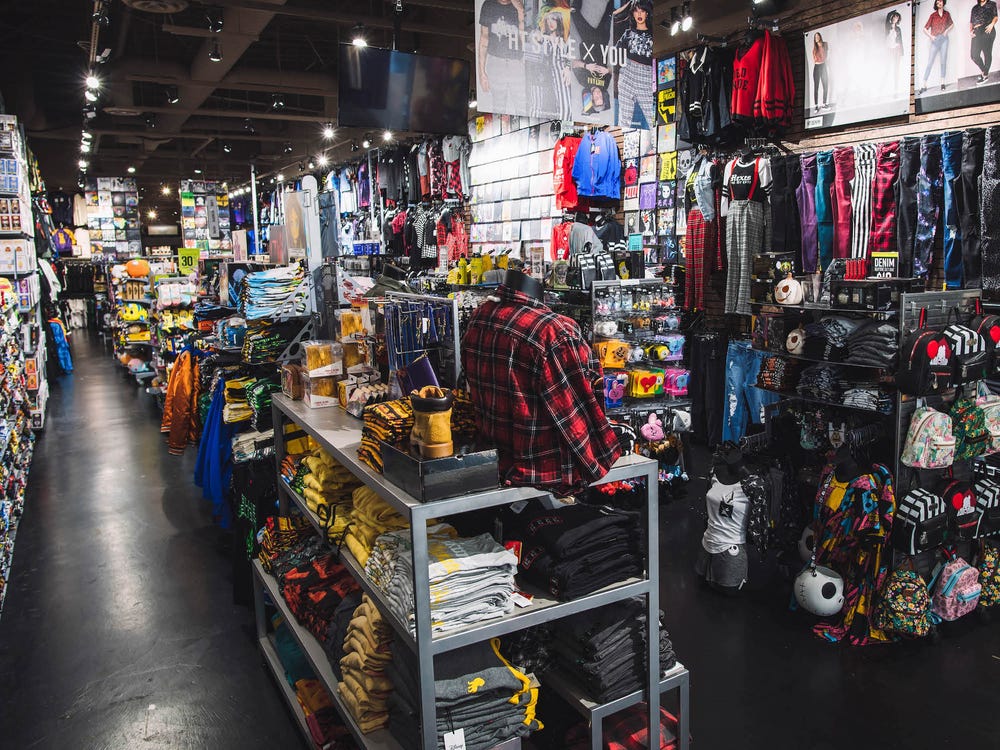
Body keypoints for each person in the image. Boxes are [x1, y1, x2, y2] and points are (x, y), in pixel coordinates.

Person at [478, 0, 527, 114]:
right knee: (498, 107)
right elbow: (484, 38)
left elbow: (525, 36)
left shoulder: (519, 5)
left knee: (522, 106)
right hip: (496, 62)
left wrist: (520, 11)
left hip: (516, 62)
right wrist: (482, 73)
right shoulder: (488, 5)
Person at [613, 0, 655, 129]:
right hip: (628, 72)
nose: (639, 14)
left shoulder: (653, 34)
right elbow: (615, 53)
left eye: (642, 11)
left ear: (647, 13)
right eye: (636, 11)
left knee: (652, 117)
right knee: (624, 119)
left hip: (646, 75)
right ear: (632, 13)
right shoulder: (628, 33)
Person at [541, 11, 573, 121]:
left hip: (563, 75)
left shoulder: (564, 40)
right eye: (548, 20)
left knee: (567, 108)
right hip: (552, 76)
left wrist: (567, 68)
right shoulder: (544, 39)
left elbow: (569, 58)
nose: (550, 22)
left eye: (553, 19)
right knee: (564, 108)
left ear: (558, 21)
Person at [919, 0, 955, 93]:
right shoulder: (933, 15)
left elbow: (952, 24)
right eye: (937, 2)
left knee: (943, 61)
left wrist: (946, 31)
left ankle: (942, 83)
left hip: (944, 39)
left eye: (940, 1)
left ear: (943, 2)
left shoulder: (947, 14)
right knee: (930, 62)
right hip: (935, 40)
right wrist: (931, 36)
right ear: (936, 4)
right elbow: (924, 29)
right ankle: (924, 84)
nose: (939, 3)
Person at [970, 0, 998, 84]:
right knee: (974, 55)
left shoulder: (991, 4)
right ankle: (984, 72)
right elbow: (971, 21)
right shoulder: (975, 8)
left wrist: (992, 24)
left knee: (987, 53)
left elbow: (995, 17)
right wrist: (971, 31)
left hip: (987, 29)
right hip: (976, 31)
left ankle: (985, 76)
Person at [884, 10, 905, 95]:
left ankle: (896, 90)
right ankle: (884, 88)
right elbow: (888, 15)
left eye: (897, 18)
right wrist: (893, 11)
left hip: (897, 50)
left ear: (898, 20)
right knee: (887, 68)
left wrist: (902, 52)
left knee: (896, 70)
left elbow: (900, 40)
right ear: (892, 17)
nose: (895, 19)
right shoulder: (887, 26)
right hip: (889, 49)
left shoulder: (898, 29)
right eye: (894, 17)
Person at [812, 32, 830, 112]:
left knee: (825, 85)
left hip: (823, 66)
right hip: (817, 67)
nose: (817, 38)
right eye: (815, 37)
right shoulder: (814, 49)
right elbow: (815, 59)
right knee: (816, 87)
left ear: (820, 37)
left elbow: (826, 55)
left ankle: (824, 104)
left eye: (818, 36)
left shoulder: (825, 44)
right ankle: (816, 106)